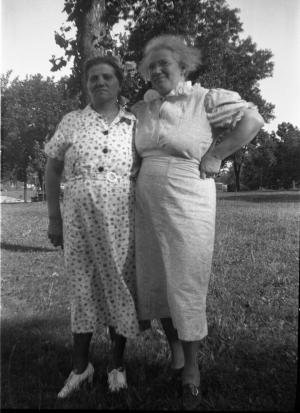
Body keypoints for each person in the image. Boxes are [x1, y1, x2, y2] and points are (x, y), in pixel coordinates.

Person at [131, 35, 264, 410]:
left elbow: (252, 118)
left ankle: (192, 368)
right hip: (147, 203)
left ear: (183, 68)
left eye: (164, 65)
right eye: (150, 66)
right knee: (157, 280)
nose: (156, 71)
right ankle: (174, 354)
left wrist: (217, 154)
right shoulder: (143, 108)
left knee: (185, 280)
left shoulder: (204, 98)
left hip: (188, 196)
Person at [45, 56, 140, 399]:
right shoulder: (72, 121)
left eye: (106, 77)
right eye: (93, 78)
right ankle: (80, 367)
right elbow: (52, 171)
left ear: (118, 83)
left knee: (119, 283)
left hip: (121, 220)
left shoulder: (134, 123)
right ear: (86, 85)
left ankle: (116, 365)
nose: (100, 82)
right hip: (77, 220)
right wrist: (54, 217)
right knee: (82, 285)